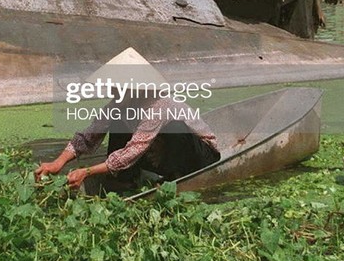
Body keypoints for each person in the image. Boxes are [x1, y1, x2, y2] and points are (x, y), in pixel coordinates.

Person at [35, 51, 221, 194]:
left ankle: (176, 179)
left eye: (116, 86)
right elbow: (88, 137)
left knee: (176, 128)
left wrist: (88, 171)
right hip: (157, 153)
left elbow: (135, 149)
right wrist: (58, 162)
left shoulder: (159, 104)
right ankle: (123, 179)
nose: (111, 91)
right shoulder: (117, 106)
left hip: (198, 158)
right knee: (118, 123)